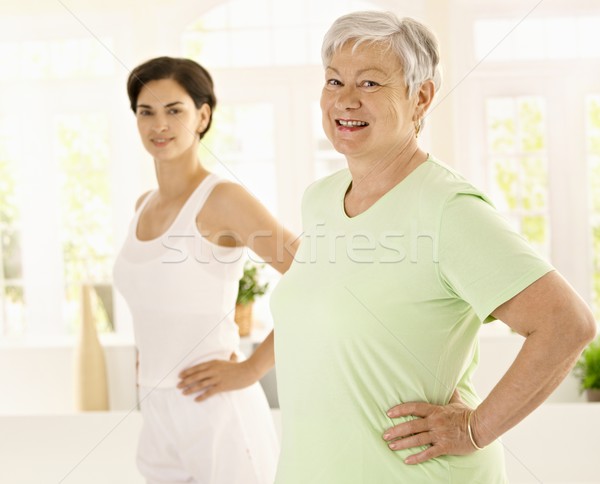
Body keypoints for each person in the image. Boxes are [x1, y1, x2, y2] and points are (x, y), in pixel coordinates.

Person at [269, 11, 596, 483]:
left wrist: (476, 428)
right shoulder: (319, 199)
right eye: (334, 80)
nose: (345, 99)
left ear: (420, 96)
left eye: (371, 84)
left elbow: (566, 325)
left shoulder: (448, 208)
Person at [113, 56, 297, 484]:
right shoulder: (141, 205)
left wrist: (252, 368)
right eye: (147, 112)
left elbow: (316, 278)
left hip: (217, 409)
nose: (159, 125)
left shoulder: (223, 199)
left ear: (203, 115)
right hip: (156, 407)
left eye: (174, 110)